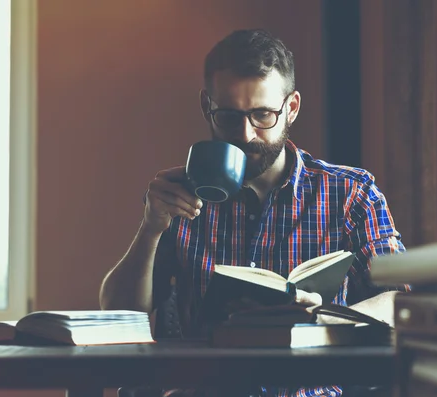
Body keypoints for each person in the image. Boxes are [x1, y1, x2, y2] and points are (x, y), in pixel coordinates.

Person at [100, 28, 409, 397]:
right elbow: (117, 312)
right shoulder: (176, 196)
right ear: (206, 106)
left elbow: (402, 301)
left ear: (291, 108)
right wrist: (150, 228)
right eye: (228, 117)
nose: (245, 135)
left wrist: (324, 319)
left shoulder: (350, 194)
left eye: (262, 115)